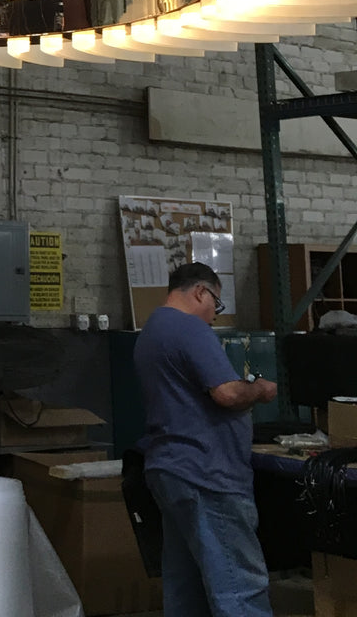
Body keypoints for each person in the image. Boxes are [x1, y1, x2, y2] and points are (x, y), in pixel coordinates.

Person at [134, 262, 279, 617]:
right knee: (239, 588)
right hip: (207, 474)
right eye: (216, 303)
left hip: (172, 469)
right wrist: (260, 389)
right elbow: (227, 394)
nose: (215, 315)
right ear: (200, 292)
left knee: (187, 590)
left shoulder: (151, 331)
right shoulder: (190, 328)